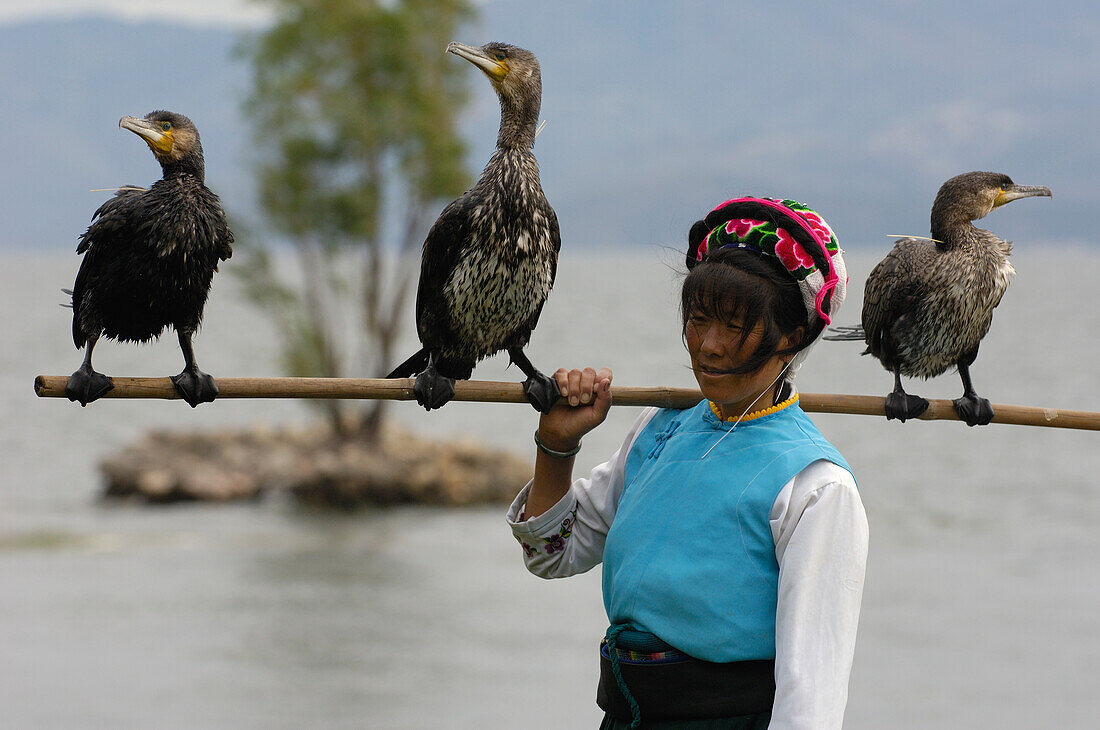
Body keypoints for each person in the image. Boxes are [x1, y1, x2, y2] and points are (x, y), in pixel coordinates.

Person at [506, 197, 868, 729]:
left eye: (735, 326)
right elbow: (550, 556)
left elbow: (809, 699)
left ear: (794, 336)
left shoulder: (815, 485)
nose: (709, 347)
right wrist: (555, 445)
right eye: (698, 320)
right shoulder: (660, 429)